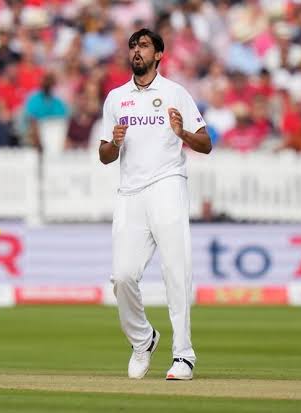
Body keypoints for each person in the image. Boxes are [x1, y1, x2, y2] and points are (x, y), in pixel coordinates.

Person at [98, 28, 212, 381]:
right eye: (133, 45)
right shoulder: (116, 98)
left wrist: (183, 135)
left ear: (159, 55)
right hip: (130, 193)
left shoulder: (175, 92)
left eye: (144, 46)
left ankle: (184, 356)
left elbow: (206, 144)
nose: (137, 51)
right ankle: (143, 339)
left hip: (167, 185)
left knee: (176, 270)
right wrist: (114, 143)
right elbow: (104, 156)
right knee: (123, 276)